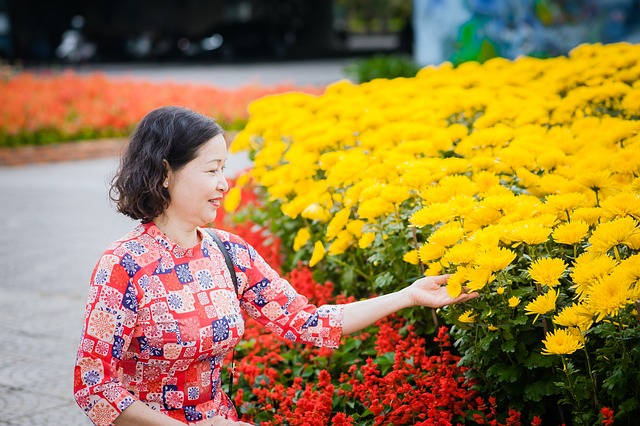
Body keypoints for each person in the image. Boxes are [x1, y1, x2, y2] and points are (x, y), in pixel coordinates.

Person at [73, 106, 478, 425]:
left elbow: (310, 323)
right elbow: (93, 385)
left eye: (224, 169)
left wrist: (408, 295)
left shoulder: (228, 252)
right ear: (165, 173)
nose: (224, 183)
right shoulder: (123, 265)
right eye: (212, 170)